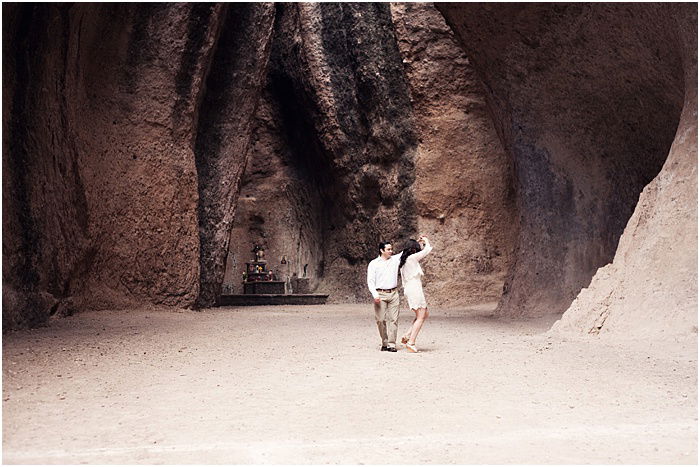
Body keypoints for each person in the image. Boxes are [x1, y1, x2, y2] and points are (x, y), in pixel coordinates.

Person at [367, 241, 403, 352]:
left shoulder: (395, 260)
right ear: (382, 250)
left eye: (391, 249)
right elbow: (370, 281)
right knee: (380, 319)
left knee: (393, 319)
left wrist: (420, 242)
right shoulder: (374, 263)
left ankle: (391, 344)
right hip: (380, 293)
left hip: (393, 293)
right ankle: (384, 342)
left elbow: (406, 251)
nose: (391, 251)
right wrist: (375, 294)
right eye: (388, 249)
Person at [399, 235, 432, 353]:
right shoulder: (411, 259)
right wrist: (426, 240)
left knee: (424, 313)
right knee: (421, 316)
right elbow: (427, 250)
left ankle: (408, 335)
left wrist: (418, 242)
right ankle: (411, 342)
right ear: (413, 250)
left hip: (411, 288)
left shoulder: (404, 260)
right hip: (414, 289)